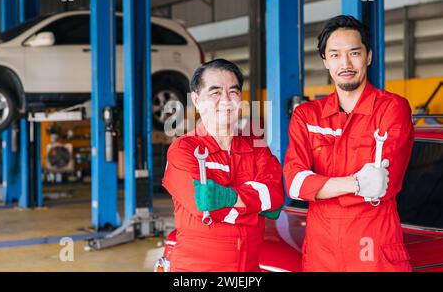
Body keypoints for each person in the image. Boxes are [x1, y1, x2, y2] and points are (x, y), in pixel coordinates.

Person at [283, 15, 414, 272]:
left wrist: (320, 187)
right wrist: (355, 183)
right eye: (335, 55)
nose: (345, 63)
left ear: (368, 56)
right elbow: (294, 184)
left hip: (375, 255)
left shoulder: (392, 108)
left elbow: (380, 186)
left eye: (354, 53)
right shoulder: (306, 115)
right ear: (325, 61)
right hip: (321, 257)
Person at [163, 59, 285, 272]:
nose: (226, 100)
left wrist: (228, 198)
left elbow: (275, 199)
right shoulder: (183, 150)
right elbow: (203, 207)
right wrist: (255, 207)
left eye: (233, 92)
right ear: (197, 100)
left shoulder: (256, 148)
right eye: (215, 93)